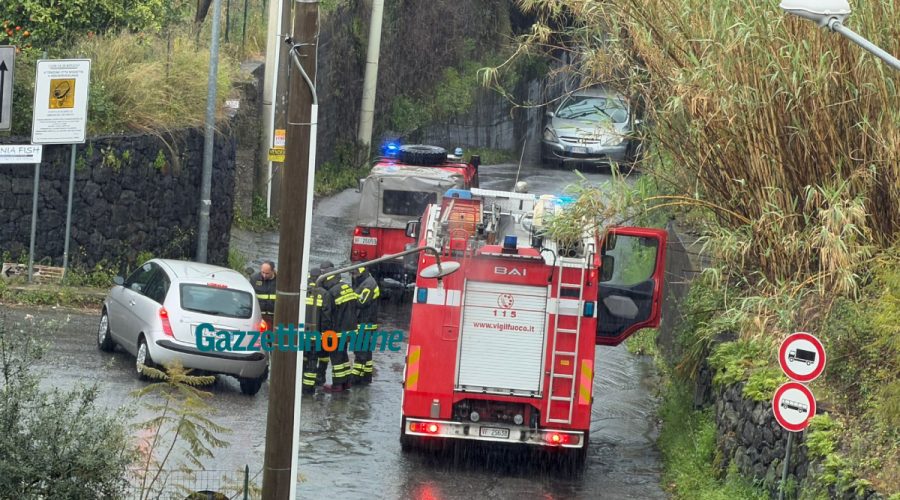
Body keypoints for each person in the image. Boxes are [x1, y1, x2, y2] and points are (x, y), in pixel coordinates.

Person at [319, 261, 357, 392]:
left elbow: (327, 315)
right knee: (343, 355)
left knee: (336, 359)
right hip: (350, 330)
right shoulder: (347, 287)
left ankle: (337, 385)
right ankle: (347, 382)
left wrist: (325, 332)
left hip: (337, 331)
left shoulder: (330, 293)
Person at [301, 267, 333, 395]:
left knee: (302, 359)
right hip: (315, 336)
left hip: (300, 335)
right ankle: (308, 389)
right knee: (312, 361)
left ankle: (299, 384)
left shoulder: (302, 291)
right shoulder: (324, 294)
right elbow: (326, 317)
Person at [350, 266, 380, 385]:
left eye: (354, 274)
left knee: (360, 351)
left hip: (365, 323)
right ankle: (366, 377)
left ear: (360, 273)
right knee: (366, 352)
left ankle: (356, 378)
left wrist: (350, 298)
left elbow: (361, 302)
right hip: (366, 322)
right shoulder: (364, 281)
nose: (353, 277)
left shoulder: (369, 284)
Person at [251, 261, 277, 328]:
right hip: (258, 316)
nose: (264, 275)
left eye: (267, 273)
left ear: (273, 271)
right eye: (263, 272)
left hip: (274, 317)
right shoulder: (254, 279)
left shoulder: (279, 280)